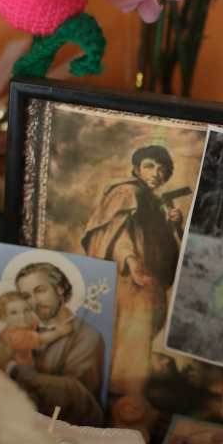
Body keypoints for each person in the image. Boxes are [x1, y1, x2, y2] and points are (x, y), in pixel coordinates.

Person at [81, 145, 186, 428]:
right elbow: (117, 233)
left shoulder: (156, 201)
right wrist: (132, 262)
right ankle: (126, 409)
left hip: (151, 282)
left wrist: (175, 225)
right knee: (131, 343)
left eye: (162, 169)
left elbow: (164, 246)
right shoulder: (127, 192)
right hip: (132, 280)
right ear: (138, 168)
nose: (157, 172)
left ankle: (124, 406)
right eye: (150, 166)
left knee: (138, 340)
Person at [0, 262, 106, 426]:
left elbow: (75, 393)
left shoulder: (86, 336)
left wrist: (11, 368)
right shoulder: (22, 331)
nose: (34, 301)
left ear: (59, 289)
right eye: (27, 296)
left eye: (40, 290)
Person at [0, 290, 73, 368]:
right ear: (3, 317)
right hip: (19, 370)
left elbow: (35, 324)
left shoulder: (20, 326)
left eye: (26, 310)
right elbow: (41, 339)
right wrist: (59, 332)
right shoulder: (14, 335)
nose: (22, 316)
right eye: (14, 313)